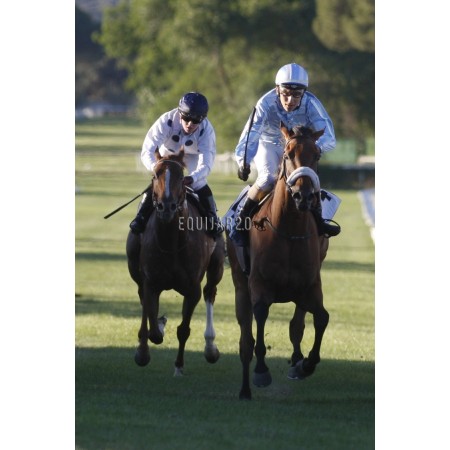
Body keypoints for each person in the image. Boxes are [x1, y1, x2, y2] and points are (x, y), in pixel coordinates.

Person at [233, 62, 341, 244]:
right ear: (277, 89)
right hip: (268, 144)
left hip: (298, 146)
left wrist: (315, 148)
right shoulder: (265, 103)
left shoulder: (312, 104)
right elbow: (251, 134)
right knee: (268, 178)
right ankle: (241, 222)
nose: (290, 100)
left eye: (297, 95)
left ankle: (319, 222)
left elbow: (329, 136)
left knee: (309, 179)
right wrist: (243, 161)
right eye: (285, 93)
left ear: (304, 93)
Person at [129, 92, 224, 238]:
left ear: (203, 119)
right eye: (186, 118)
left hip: (193, 156)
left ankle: (212, 219)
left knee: (199, 183)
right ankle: (141, 217)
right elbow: (147, 150)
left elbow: (206, 164)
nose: (190, 124)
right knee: (161, 182)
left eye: (196, 120)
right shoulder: (166, 121)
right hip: (168, 154)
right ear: (180, 113)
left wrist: (193, 178)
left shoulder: (207, 131)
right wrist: (155, 168)